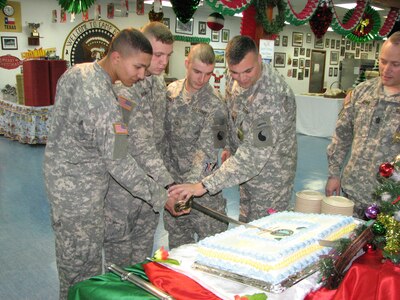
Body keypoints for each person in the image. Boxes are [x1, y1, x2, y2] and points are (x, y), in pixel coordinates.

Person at [43, 28, 184, 299]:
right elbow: (119, 160)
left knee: (88, 267)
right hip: (77, 197)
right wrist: (161, 196)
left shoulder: (81, 73)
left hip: (79, 189)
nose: (142, 74)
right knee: (81, 272)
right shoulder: (99, 94)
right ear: (117, 57)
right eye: (138, 66)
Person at [169, 35, 297, 222]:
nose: (241, 78)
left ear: (259, 60)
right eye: (235, 72)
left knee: (265, 233)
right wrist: (229, 144)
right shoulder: (233, 76)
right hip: (243, 174)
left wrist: (203, 185)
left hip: (271, 180)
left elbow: (253, 156)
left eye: (248, 71)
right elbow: (231, 112)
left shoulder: (273, 97)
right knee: (246, 227)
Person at [104, 22, 175, 266]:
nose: (163, 62)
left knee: (144, 255)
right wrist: (170, 185)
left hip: (151, 186)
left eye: (168, 56)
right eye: (157, 55)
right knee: (120, 261)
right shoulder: (124, 87)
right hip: (124, 188)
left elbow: (159, 137)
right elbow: (137, 144)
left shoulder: (156, 83)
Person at [325, 31, 400, 218]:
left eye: (395, 64)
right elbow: (342, 135)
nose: (386, 69)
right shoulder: (362, 92)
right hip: (353, 191)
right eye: (383, 61)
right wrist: (334, 174)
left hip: (391, 201)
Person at [162, 43, 229, 249]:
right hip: (173, 186)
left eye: (208, 74)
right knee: (178, 250)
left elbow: (209, 151)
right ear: (186, 64)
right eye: (197, 71)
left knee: (213, 249)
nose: (202, 79)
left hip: (203, 191)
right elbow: (161, 139)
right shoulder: (170, 93)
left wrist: (189, 187)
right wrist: (167, 183)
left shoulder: (217, 105)